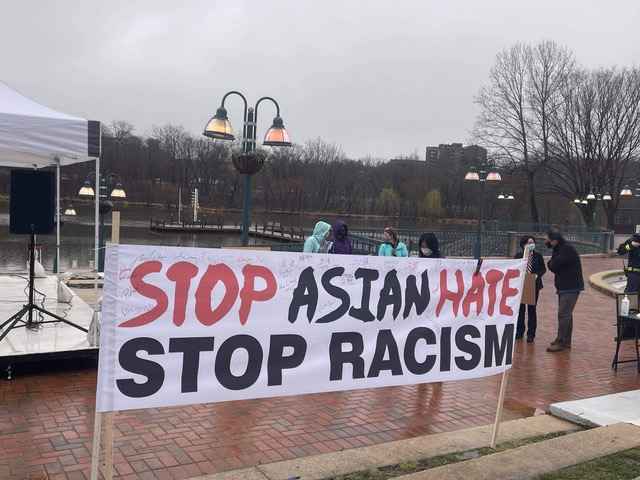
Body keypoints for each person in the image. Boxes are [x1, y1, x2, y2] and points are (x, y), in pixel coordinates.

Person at [545, 230, 584, 352]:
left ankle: (561, 342)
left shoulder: (566, 249)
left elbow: (553, 265)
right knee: (567, 315)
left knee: (563, 314)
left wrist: (550, 263)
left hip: (570, 287)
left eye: (548, 240)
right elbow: (554, 265)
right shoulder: (559, 249)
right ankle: (565, 341)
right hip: (564, 287)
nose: (546, 242)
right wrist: (551, 264)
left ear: (555, 241)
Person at [515, 235, 546, 343]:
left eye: (533, 242)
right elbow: (514, 269)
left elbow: (543, 269)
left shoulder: (538, 256)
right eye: (529, 242)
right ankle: (519, 332)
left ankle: (531, 334)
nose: (531, 244)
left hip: (533, 283)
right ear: (523, 244)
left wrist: (537, 275)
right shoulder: (519, 256)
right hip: (522, 284)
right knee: (521, 309)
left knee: (532, 310)